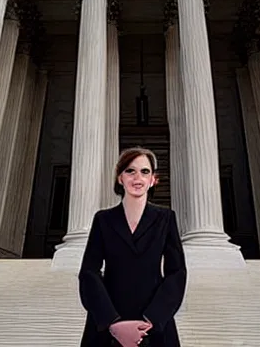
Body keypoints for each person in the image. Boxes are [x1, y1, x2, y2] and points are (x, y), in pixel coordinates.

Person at [79, 147, 187, 347]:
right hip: (109, 318)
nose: (138, 177)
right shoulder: (103, 219)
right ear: (120, 178)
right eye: (130, 171)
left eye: (145, 171)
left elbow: (177, 272)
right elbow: (88, 272)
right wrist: (112, 322)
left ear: (153, 179)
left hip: (154, 321)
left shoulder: (166, 218)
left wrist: (152, 319)